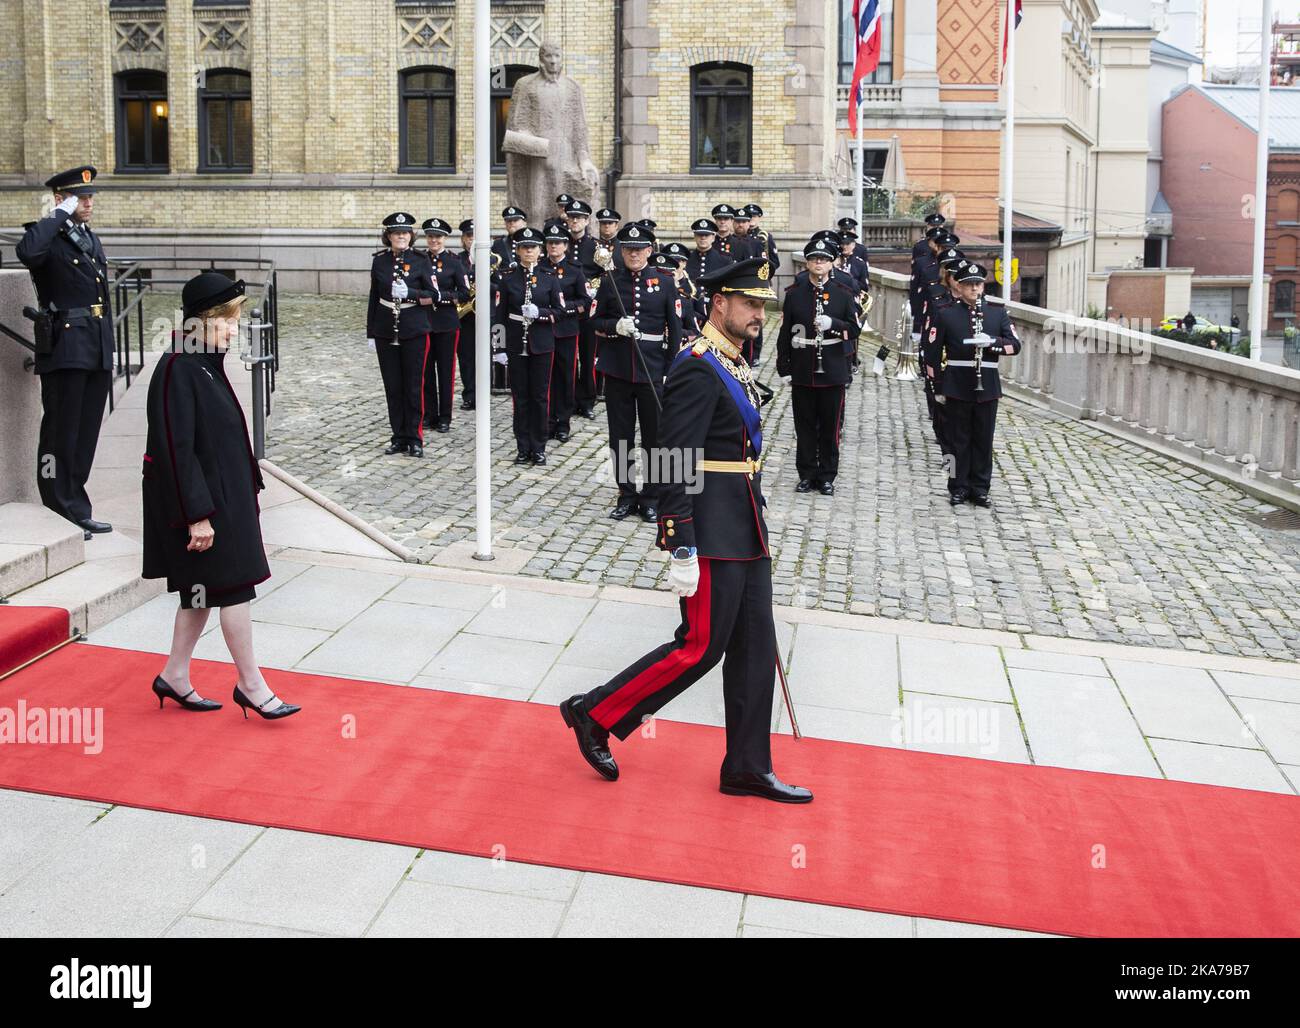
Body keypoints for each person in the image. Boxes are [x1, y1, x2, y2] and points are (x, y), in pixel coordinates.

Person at [559, 257, 812, 804]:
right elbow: (671, 456)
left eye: (763, 305)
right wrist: (680, 541)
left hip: (745, 524)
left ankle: (747, 766)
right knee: (699, 648)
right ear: (719, 302)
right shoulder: (698, 364)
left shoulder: (732, 361)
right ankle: (594, 712)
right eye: (749, 303)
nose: (758, 315)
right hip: (712, 528)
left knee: (754, 648)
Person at [142, 272, 299, 721]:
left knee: (200, 593)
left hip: (225, 499)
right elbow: (175, 449)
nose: (234, 329)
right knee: (233, 589)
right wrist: (198, 517)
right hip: (208, 508)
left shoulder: (203, 361)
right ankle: (252, 686)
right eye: (228, 321)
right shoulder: (179, 366)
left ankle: (173, 675)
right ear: (201, 321)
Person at [15, 165, 114, 538]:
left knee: (86, 431)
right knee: (61, 431)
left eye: (89, 197)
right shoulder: (47, 237)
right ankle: (57, 506)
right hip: (66, 346)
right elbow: (27, 253)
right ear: (61, 198)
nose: (88, 203)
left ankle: (77, 504)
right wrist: (57, 214)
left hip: (96, 343)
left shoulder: (88, 238)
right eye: (80, 197)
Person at [592, 222, 682, 521]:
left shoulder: (665, 282)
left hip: (653, 370)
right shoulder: (610, 281)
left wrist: (671, 370)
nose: (633, 254)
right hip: (618, 369)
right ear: (621, 251)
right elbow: (594, 322)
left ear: (649, 250)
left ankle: (652, 496)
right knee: (621, 437)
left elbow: (676, 329)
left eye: (639, 249)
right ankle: (627, 493)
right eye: (628, 249)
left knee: (654, 436)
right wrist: (614, 326)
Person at [928, 262, 1022, 507]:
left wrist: (991, 342)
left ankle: (980, 488)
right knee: (954, 441)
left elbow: (1015, 345)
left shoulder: (996, 313)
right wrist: (937, 387)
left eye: (978, 284)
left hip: (987, 385)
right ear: (959, 286)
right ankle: (956, 486)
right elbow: (932, 354)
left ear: (983, 286)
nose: (974, 288)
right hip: (956, 384)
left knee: (983, 439)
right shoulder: (946, 313)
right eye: (969, 284)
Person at [776, 237, 860, 496]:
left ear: (831, 262)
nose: (818, 263)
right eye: (814, 259)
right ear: (807, 263)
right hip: (803, 366)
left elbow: (854, 328)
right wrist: (784, 367)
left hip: (833, 367)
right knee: (804, 426)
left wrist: (833, 324)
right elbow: (786, 332)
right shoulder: (794, 294)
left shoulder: (843, 294)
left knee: (830, 427)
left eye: (823, 259)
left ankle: (826, 476)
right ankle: (806, 473)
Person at [366, 212, 438, 457]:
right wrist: (371, 332)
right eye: (396, 233)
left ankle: (415, 437)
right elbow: (374, 298)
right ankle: (398, 436)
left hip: (414, 329)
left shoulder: (421, 260)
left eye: (405, 233)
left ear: (411, 235)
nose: (401, 236)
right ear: (388, 236)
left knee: (413, 386)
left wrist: (410, 293)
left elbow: (433, 295)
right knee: (393, 387)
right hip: (386, 330)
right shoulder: (380, 262)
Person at [495, 226, 564, 465]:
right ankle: (522, 446)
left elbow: (559, 311)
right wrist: (499, 348)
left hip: (542, 344)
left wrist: (540, 313)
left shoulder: (550, 279)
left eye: (532, 247)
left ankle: (539, 446)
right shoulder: (508, 279)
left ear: (540, 250)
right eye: (524, 247)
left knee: (540, 397)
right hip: (515, 344)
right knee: (520, 397)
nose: (528, 251)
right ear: (518, 250)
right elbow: (499, 317)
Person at [538, 221, 588, 443]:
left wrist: (562, 308)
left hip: (566, 330)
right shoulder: (539, 268)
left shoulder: (575, 270)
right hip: (544, 330)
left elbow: (585, 300)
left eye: (557, 243)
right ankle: (547, 421)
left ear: (565, 245)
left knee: (566, 376)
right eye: (550, 243)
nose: (553, 247)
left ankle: (563, 422)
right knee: (545, 378)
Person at [420, 217, 470, 434]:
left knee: (446, 372)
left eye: (438, 237)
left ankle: (445, 417)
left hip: (447, 323)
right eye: (430, 236)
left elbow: (465, 293)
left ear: (445, 239)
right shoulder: (419, 259)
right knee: (426, 372)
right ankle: (429, 414)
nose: (434, 240)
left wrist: (439, 297)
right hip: (422, 323)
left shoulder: (454, 262)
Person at [565, 199, 602, 420]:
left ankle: (587, 400)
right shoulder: (561, 243)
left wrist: (593, 288)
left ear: (587, 220)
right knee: (568, 358)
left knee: (587, 357)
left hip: (589, 310)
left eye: (579, 217)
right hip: (567, 308)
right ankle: (568, 399)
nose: (575, 221)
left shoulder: (596, 247)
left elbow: (607, 274)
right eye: (571, 217)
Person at [455, 219, 478, 410]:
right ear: (464, 239)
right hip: (465, 316)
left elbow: (501, 285)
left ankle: (482, 393)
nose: (473, 241)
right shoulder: (457, 260)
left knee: (485, 355)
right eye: (470, 237)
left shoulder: (492, 260)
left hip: (486, 315)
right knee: (466, 357)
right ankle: (469, 394)